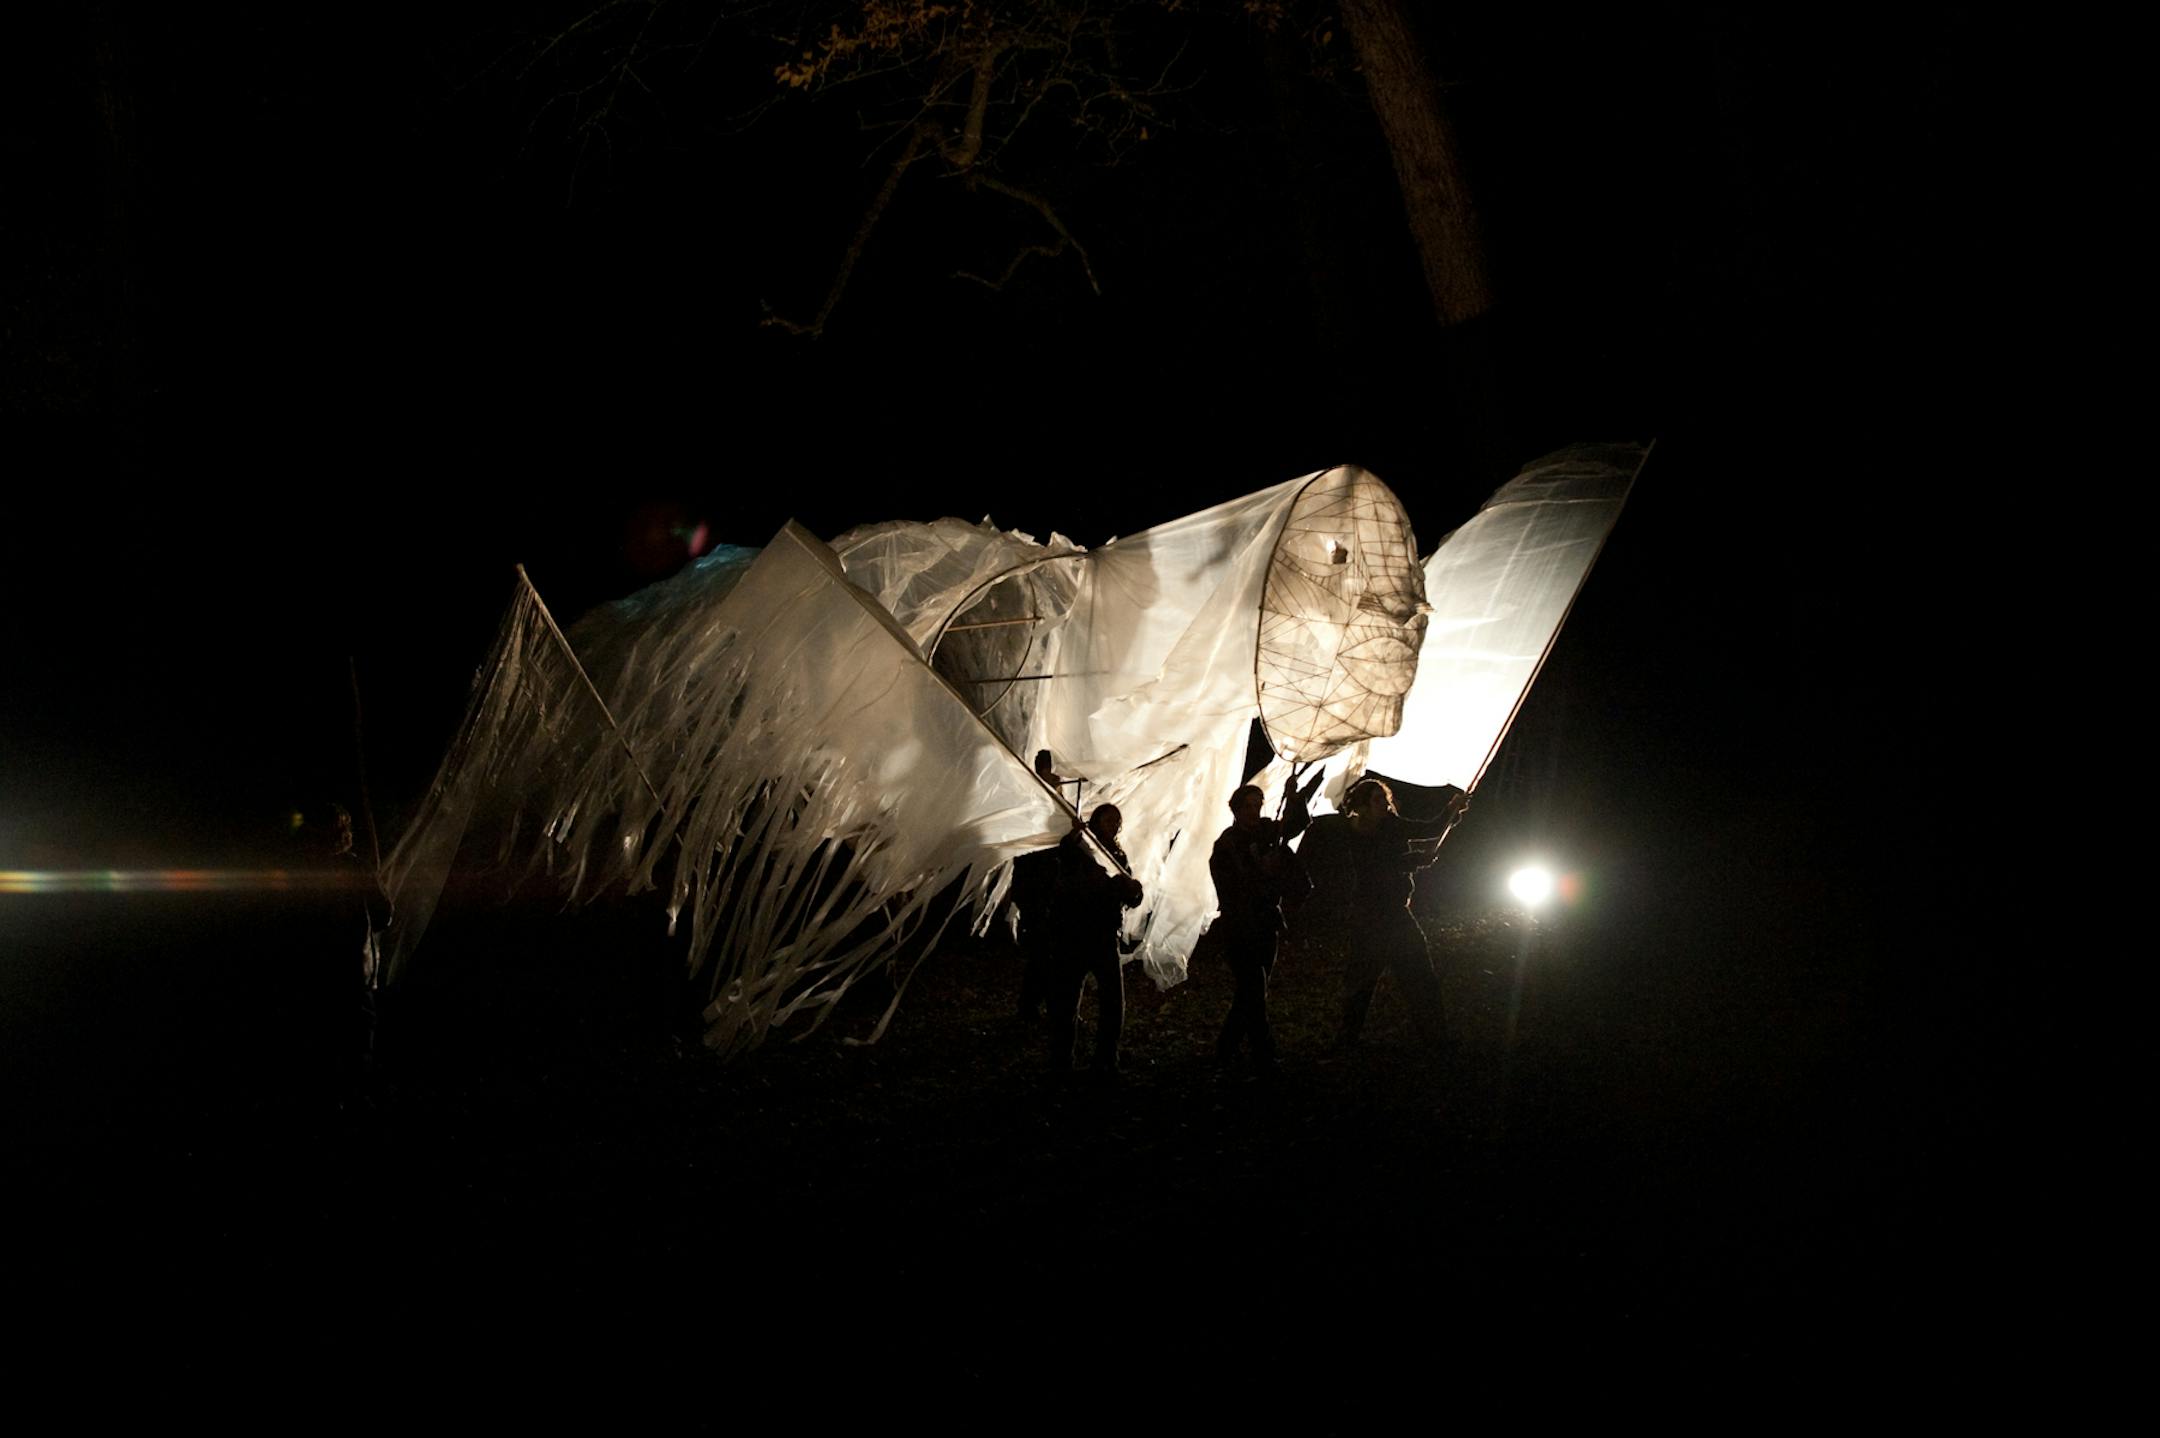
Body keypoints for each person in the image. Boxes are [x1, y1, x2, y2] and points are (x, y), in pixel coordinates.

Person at [1301, 777, 1469, 1051]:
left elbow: (1429, 829)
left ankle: (1435, 1037)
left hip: (1395, 912)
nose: (1385, 804)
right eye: (1377, 800)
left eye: (1385, 799)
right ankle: (1346, 1039)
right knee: (1361, 981)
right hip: (1369, 916)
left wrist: (1452, 810)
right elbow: (1379, 865)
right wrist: (1417, 859)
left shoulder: (1392, 825)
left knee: (1420, 976)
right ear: (1363, 805)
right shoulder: (1354, 832)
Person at [1208, 770, 1322, 1076]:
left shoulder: (1268, 832)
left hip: (1266, 924)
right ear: (1236, 809)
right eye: (1248, 806)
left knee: (1251, 992)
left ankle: (1226, 1050)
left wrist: (1294, 795)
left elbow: (1296, 824)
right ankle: (1263, 1051)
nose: (1255, 811)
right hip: (1239, 927)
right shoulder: (1227, 845)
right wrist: (1261, 871)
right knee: (1254, 988)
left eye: (1258, 805)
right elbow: (1230, 888)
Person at [1046, 804, 1144, 1075]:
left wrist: (1135, 893)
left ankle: (1106, 1057)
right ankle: (1061, 1060)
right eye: (1108, 819)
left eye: (1117, 821)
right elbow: (1064, 861)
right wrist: (1075, 838)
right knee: (1067, 1000)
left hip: (1104, 934)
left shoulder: (1117, 856)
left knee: (1113, 1000)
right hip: (1075, 934)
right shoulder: (1078, 849)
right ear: (1096, 821)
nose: (1113, 825)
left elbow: (1129, 893)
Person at [1007, 750, 1066, 1021]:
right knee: (1043, 955)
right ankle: (1032, 1006)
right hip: (1036, 895)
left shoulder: (1056, 809)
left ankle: (1047, 1005)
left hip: (1053, 895)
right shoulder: (1031, 809)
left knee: (1053, 955)